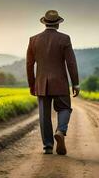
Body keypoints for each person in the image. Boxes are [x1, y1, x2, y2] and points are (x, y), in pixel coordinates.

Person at [26, 10, 80, 155]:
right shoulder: (65, 39)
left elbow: (29, 65)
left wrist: (32, 85)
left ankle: (47, 147)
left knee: (44, 115)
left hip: (41, 83)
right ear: (58, 24)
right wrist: (75, 83)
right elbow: (71, 63)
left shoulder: (33, 40)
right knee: (64, 108)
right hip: (60, 82)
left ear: (44, 22)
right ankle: (61, 131)